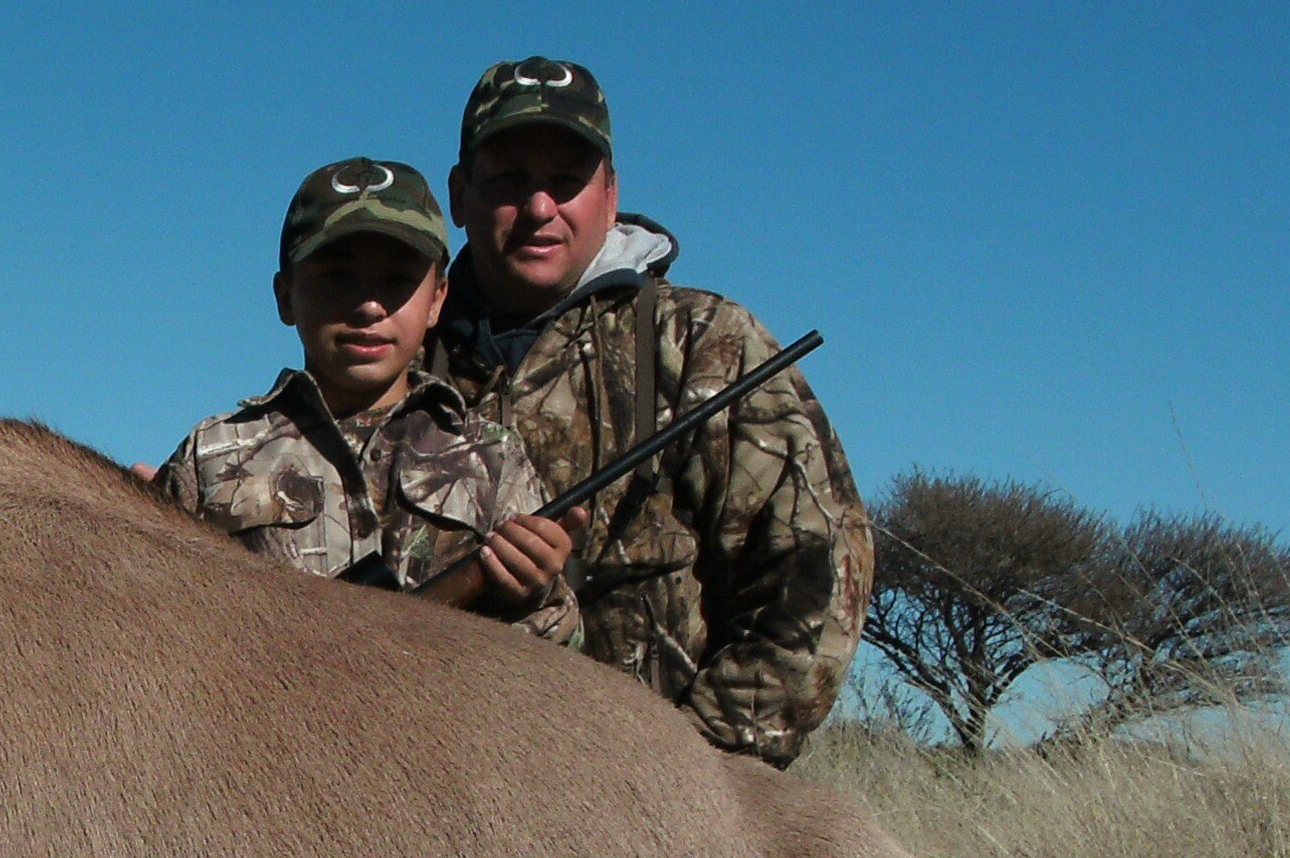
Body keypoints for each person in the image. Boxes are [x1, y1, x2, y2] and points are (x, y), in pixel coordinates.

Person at [423, 59, 870, 763]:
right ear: (459, 194)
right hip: (438, 787)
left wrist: (703, 772)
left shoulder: (704, 342)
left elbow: (814, 572)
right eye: (510, 178)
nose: (541, 208)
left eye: (566, 180)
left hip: (653, 806)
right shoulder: (402, 366)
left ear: (609, 193)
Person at [158, 158, 583, 644]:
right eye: (337, 277)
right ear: (285, 296)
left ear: (438, 299)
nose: (368, 306)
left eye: (397, 279)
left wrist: (532, 593)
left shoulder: (492, 457)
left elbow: (562, 653)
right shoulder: (210, 453)